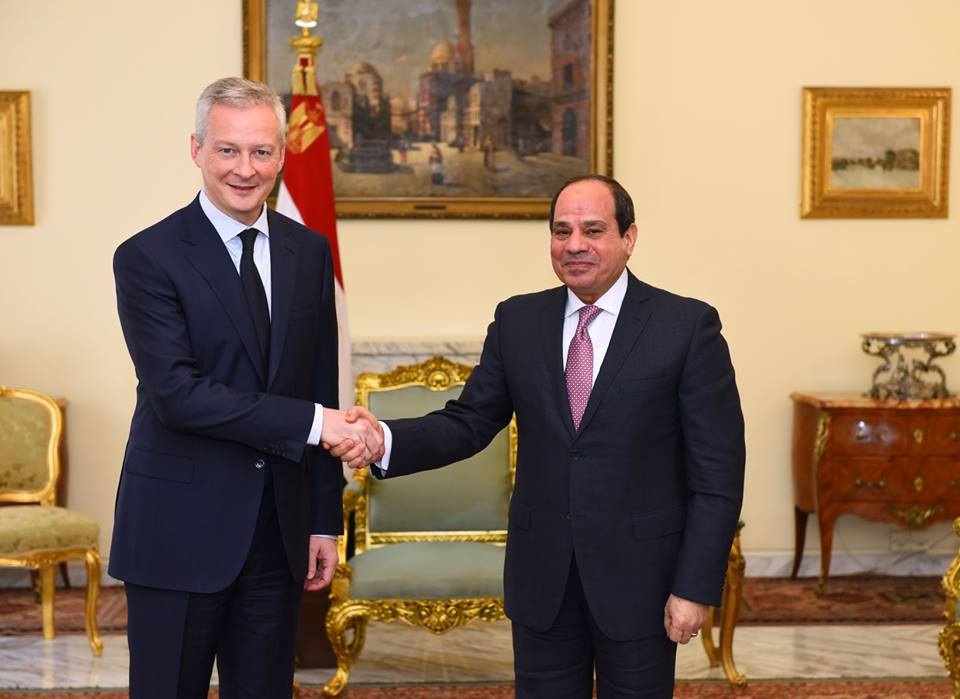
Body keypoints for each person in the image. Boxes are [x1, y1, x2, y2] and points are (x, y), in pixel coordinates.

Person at [333, 175, 745, 698]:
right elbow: (468, 421)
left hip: (641, 579)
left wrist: (693, 586)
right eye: (562, 230)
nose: (574, 245)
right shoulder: (518, 321)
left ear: (629, 237)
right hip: (542, 576)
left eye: (593, 230)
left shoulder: (685, 327)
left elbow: (719, 475)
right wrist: (383, 440)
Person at [110, 77, 381, 699]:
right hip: (177, 532)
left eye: (261, 152)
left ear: (283, 155)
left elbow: (317, 382)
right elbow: (178, 394)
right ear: (197, 149)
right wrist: (317, 424)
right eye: (227, 150)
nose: (244, 168)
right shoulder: (148, 257)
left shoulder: (307, 252)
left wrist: (321, 521)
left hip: (276, 533)